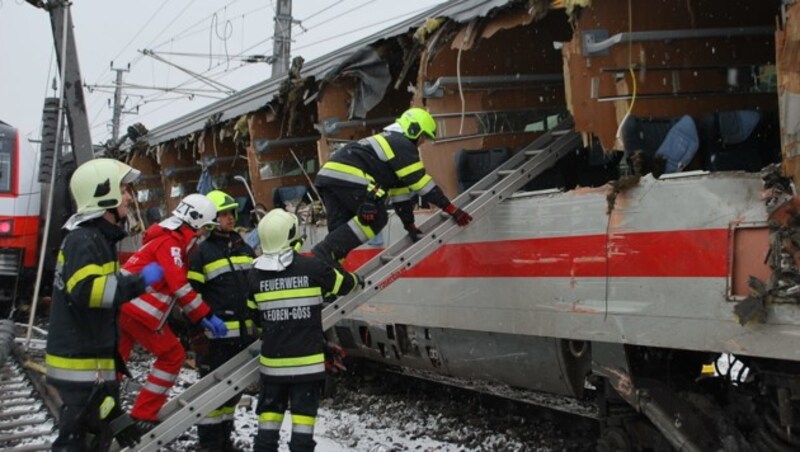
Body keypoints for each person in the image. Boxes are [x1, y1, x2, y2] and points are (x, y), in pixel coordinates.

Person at [46, 158, 164, 451]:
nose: (128, 197)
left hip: (88, 367)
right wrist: (140, 281)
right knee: (77, 444)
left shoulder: (94, 238)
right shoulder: (85, 240)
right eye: (123, 189)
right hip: (82, 369)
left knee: (91, 438)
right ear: (104, 193)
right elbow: (89, 291)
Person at [248, 209, 361, 452]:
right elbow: (345, 285)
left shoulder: (254, 275)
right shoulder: (312, 267)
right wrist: (355, 279)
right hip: (307, 367)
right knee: (302, 427)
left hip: (273, 367)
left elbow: (255, 322)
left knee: (267, 424)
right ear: (291, 235)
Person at [118, 193, 229, 429]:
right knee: (172, 355)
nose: (203, 234)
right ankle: (143, 413)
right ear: (196, 222)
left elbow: (170, 285)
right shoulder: (172, 244)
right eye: (204, 228)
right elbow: (179, 286)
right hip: (138, 311)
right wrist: (207, 316)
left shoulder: (166, 239)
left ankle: (99, 411)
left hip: (122, 308)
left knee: (114, 362)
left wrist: (198, 314)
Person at [312, 107, 473, 265]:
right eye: (423, 137)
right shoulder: (401, 144)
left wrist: (409, 225)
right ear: (414, 129)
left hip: (330, 177)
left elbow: (400, 195)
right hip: (348, 176)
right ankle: (324, 253)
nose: (422, 142)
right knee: (376, 218)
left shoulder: (390, 144)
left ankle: (325, 266)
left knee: (340, 231)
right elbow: (421, 183)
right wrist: (452, 209)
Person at [187, 190, 256, 451]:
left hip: (242, 339)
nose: (228, 218)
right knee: (210, 398)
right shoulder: (201, 254)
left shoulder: (246, 249)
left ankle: (224, 442)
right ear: (212, 219)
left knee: (231, 395)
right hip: (214, 342)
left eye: (230, 213)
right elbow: (190, 298)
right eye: (222, 214)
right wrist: (196, 335)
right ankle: (209, 445)